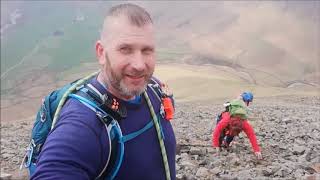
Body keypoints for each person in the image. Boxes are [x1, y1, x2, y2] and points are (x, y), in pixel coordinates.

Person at [31, 3, 176, 180]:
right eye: (125, 49)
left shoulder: (154, 90)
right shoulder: (83, 124)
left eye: (147, 50)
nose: (139, 65)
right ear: (101, 52)